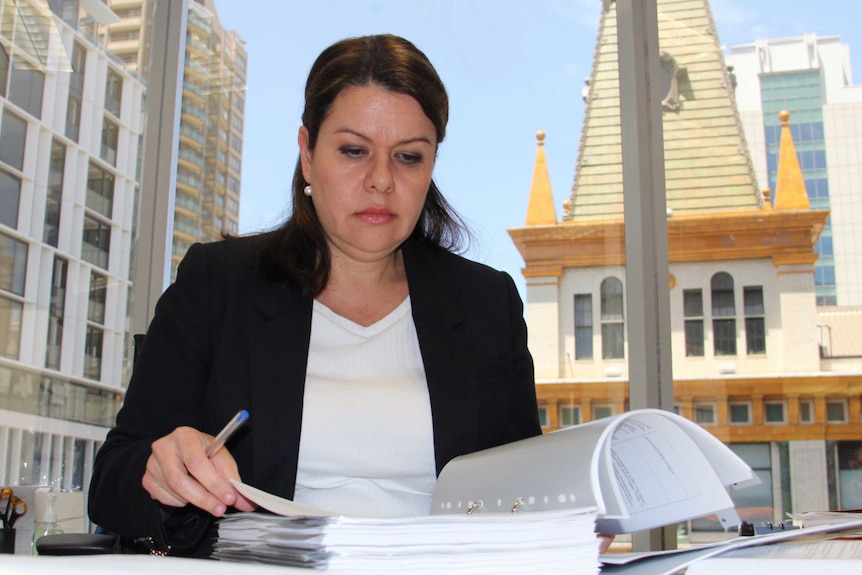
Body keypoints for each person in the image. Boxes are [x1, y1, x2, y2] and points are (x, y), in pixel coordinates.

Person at [88, 34, 541, 557]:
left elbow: (524, 489)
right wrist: (163, 474)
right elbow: (111, 482)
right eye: (353, 151)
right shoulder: (219, 284)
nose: (380, 181)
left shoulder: (488, 303)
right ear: (307, 153)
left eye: (409, 157)